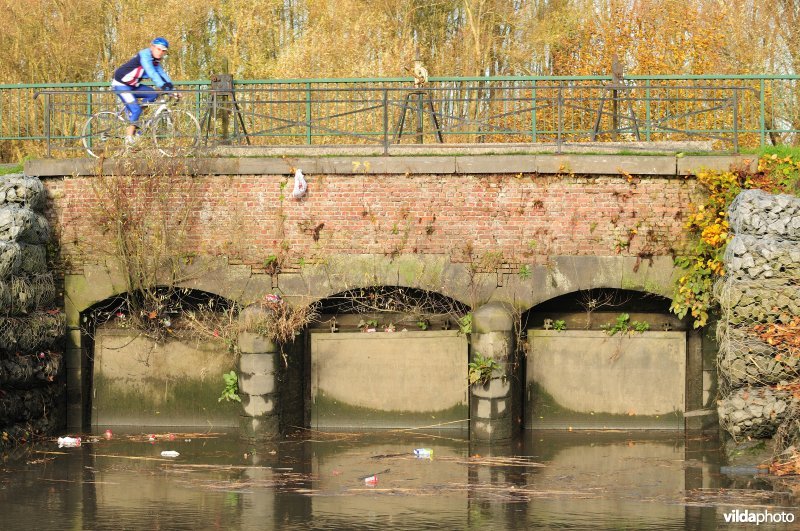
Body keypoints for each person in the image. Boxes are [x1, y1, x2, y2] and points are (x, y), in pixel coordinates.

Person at [112, 37, 178, 145]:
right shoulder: (145, 56)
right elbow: (152, 73)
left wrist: (173, 89)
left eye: (163, 50)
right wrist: (163, 86)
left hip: (133, 85)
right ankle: (129, 139)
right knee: (136, 110)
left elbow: (162, 74)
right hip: (122, 84)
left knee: (152, 95)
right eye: (158, 49)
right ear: (152, 47)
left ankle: (137, 118)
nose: (160, 52)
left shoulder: (155, 60)